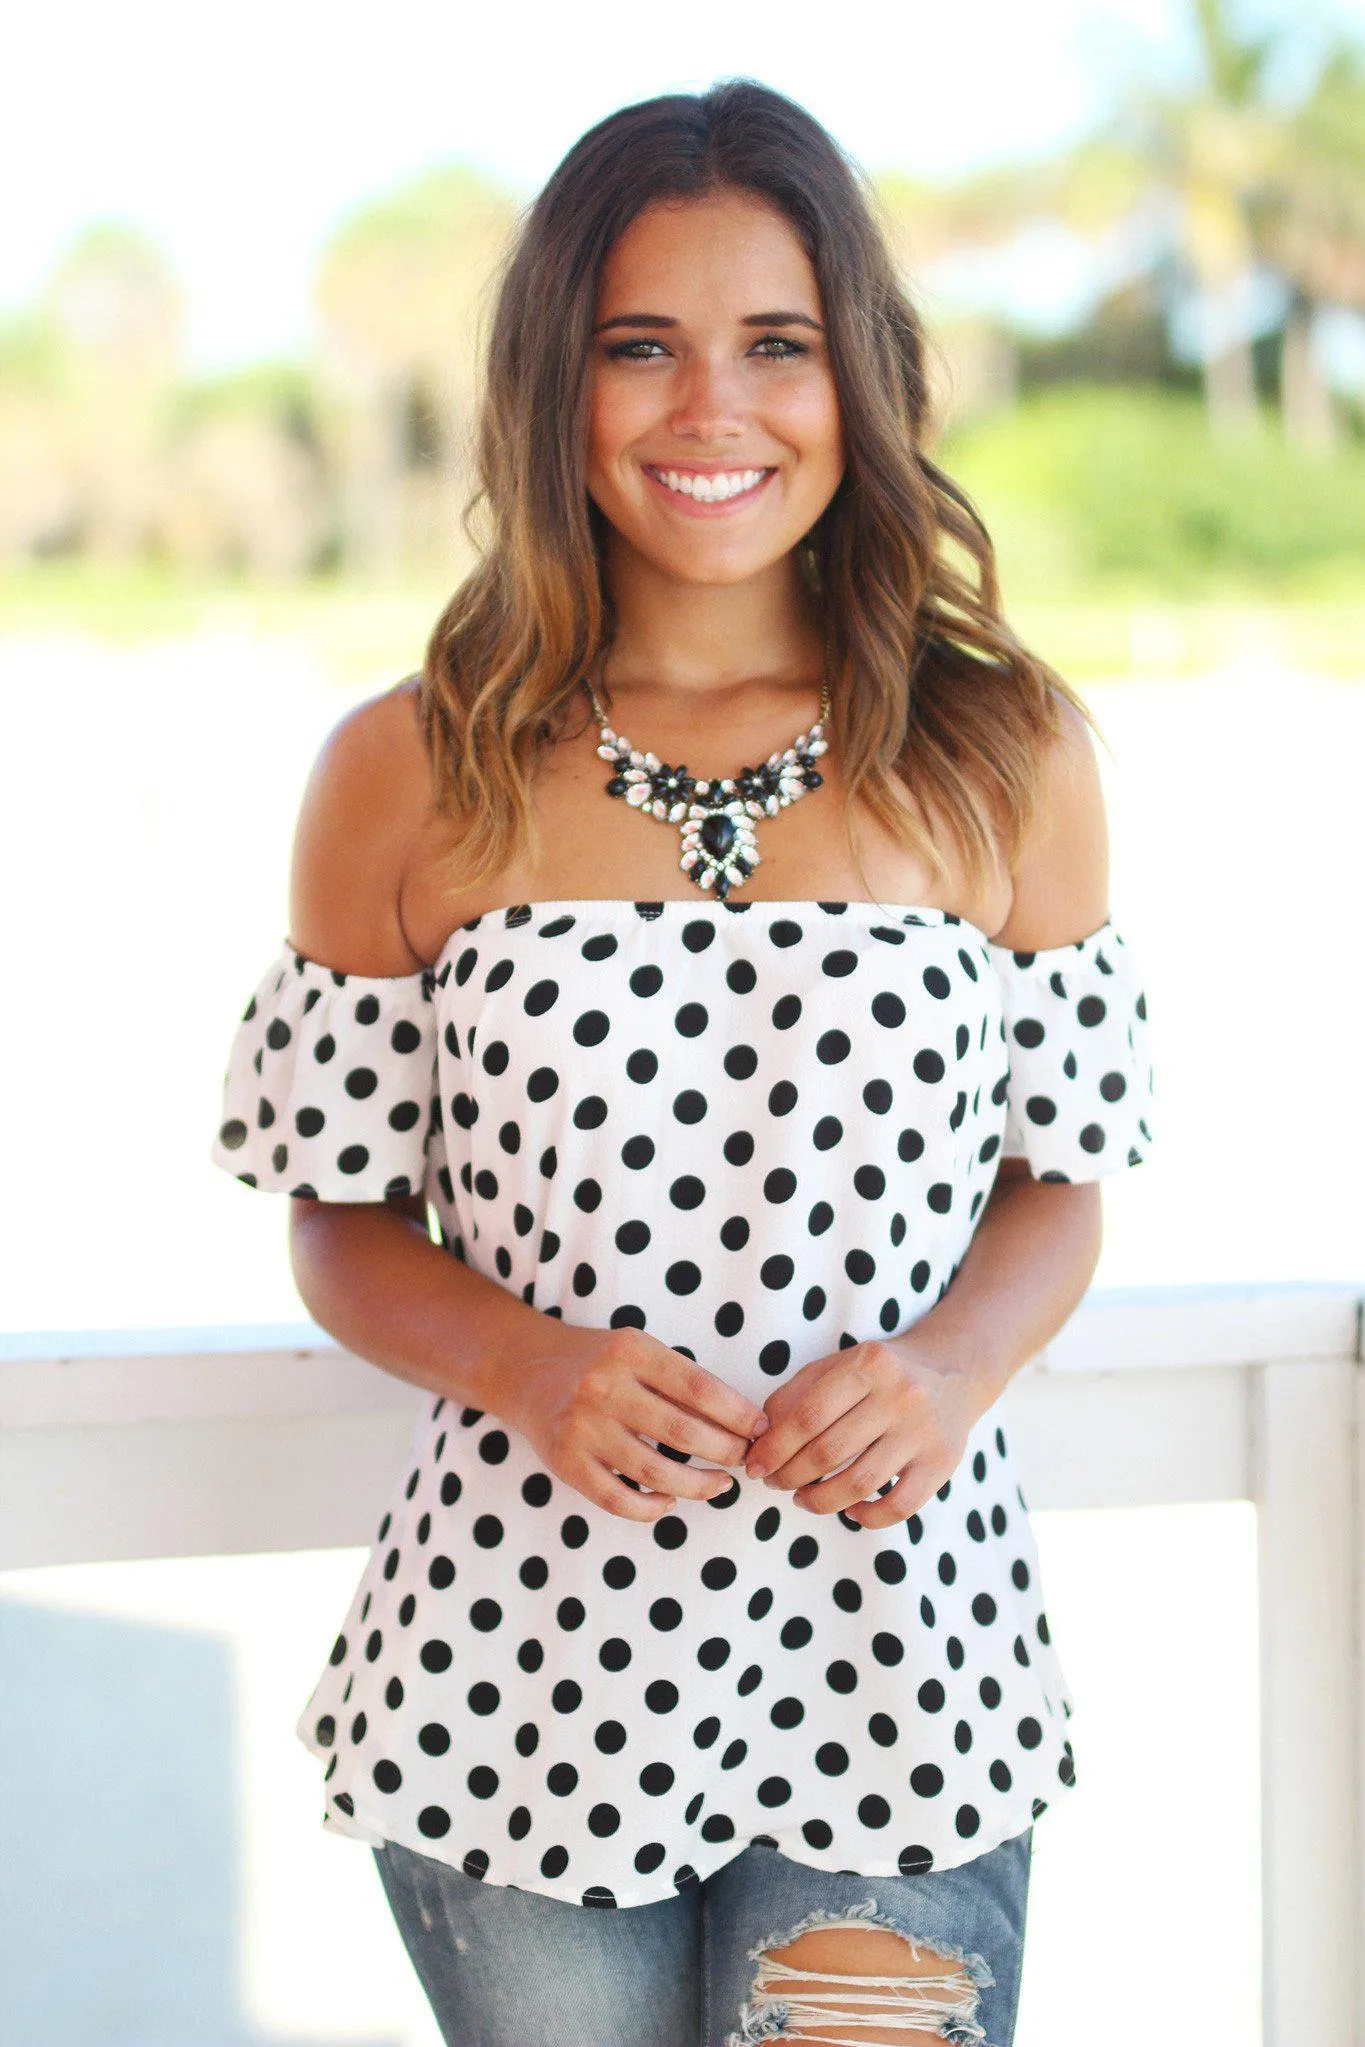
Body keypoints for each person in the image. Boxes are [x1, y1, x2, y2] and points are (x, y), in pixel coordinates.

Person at [210, 78, 1153, 2047]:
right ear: (555, 385)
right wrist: (524, 1364)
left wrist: (950, 1366)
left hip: (899, 1678)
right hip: (512, 1683)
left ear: (858, 380)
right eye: (639, 346)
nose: (709, 408)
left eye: (776, 345)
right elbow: (338, 1219)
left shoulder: (1007, 753)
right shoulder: (406, 769)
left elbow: (1061, 1178)